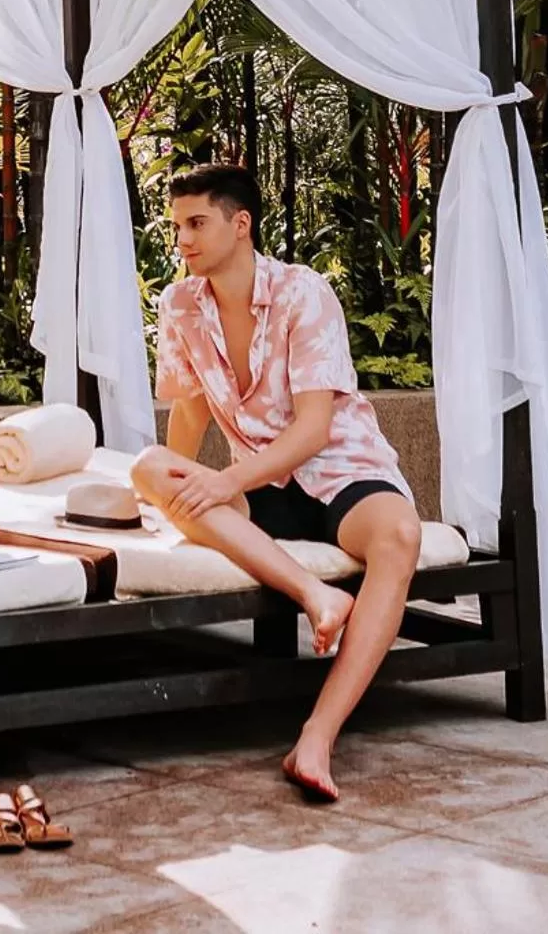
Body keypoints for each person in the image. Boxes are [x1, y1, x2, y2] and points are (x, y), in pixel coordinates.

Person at [130, 163, 426, 803]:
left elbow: (315, 429)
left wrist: (223, 480)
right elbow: (189, 409)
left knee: (401, 535)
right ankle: (317, 597)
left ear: (241, 225)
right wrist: (166, 499)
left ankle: (318, 735)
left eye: (197, 223)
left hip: (340, 473)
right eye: (177, 224)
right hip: (261, 490)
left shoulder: (303, 293)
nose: (182, 238)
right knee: (150, 468)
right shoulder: (179, 305)